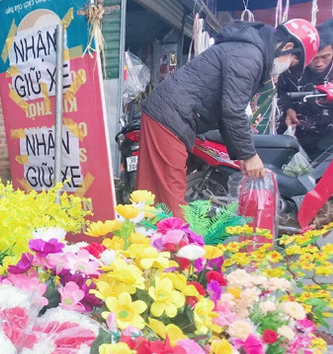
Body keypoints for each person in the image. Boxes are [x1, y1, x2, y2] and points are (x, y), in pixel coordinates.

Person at [136, 19, 319, 218]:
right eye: (293, 60)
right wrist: (249, 155)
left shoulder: (249, 50)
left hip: (169, 116)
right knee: (170, 197)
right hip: (170, 118)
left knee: (153, 197)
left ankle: (147, 241)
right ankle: (174, 246)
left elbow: (225, 109)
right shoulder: (250, 56)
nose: (290, 66)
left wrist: (241, 153)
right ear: (288, 46)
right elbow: (233, 110)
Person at [277, 26, 333, 160]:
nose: (319, 63)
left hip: (328, 137)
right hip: (296, 134)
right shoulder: (292, 68)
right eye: (314, 58)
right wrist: (288, 108)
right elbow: (280, 91)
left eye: (326, 57)